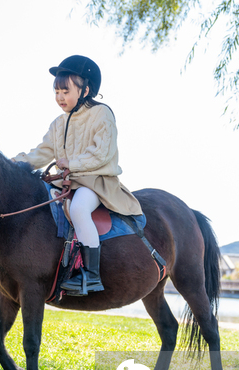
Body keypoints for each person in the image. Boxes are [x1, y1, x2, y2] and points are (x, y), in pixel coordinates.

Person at [12, 55, 142, 295]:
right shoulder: (58, 123)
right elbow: (41, 153)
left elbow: (101, 154)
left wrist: (71, 162)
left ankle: (91, 275)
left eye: (65, 91)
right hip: (68, 183)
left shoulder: (102, 114)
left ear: (86, 90)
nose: (60, 97)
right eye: (56, 92)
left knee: (79, 208)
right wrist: (13, 163)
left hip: (96, 182)